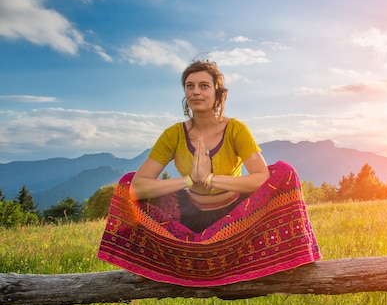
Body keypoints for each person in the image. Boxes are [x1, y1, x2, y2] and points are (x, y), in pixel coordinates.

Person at [97, 60, 321, 286]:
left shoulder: (235, 129)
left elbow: (261, 177)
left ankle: (289, 259)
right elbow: (137, 186)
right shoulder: (173, 134)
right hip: (189, 214)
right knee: (126, 182)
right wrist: (189, 180)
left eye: (204, 86)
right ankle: (147, 264)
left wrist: (210, 179)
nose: (195, 91)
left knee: (284, 172)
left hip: (235, 216)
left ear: (217, 93)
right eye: (189, 86)